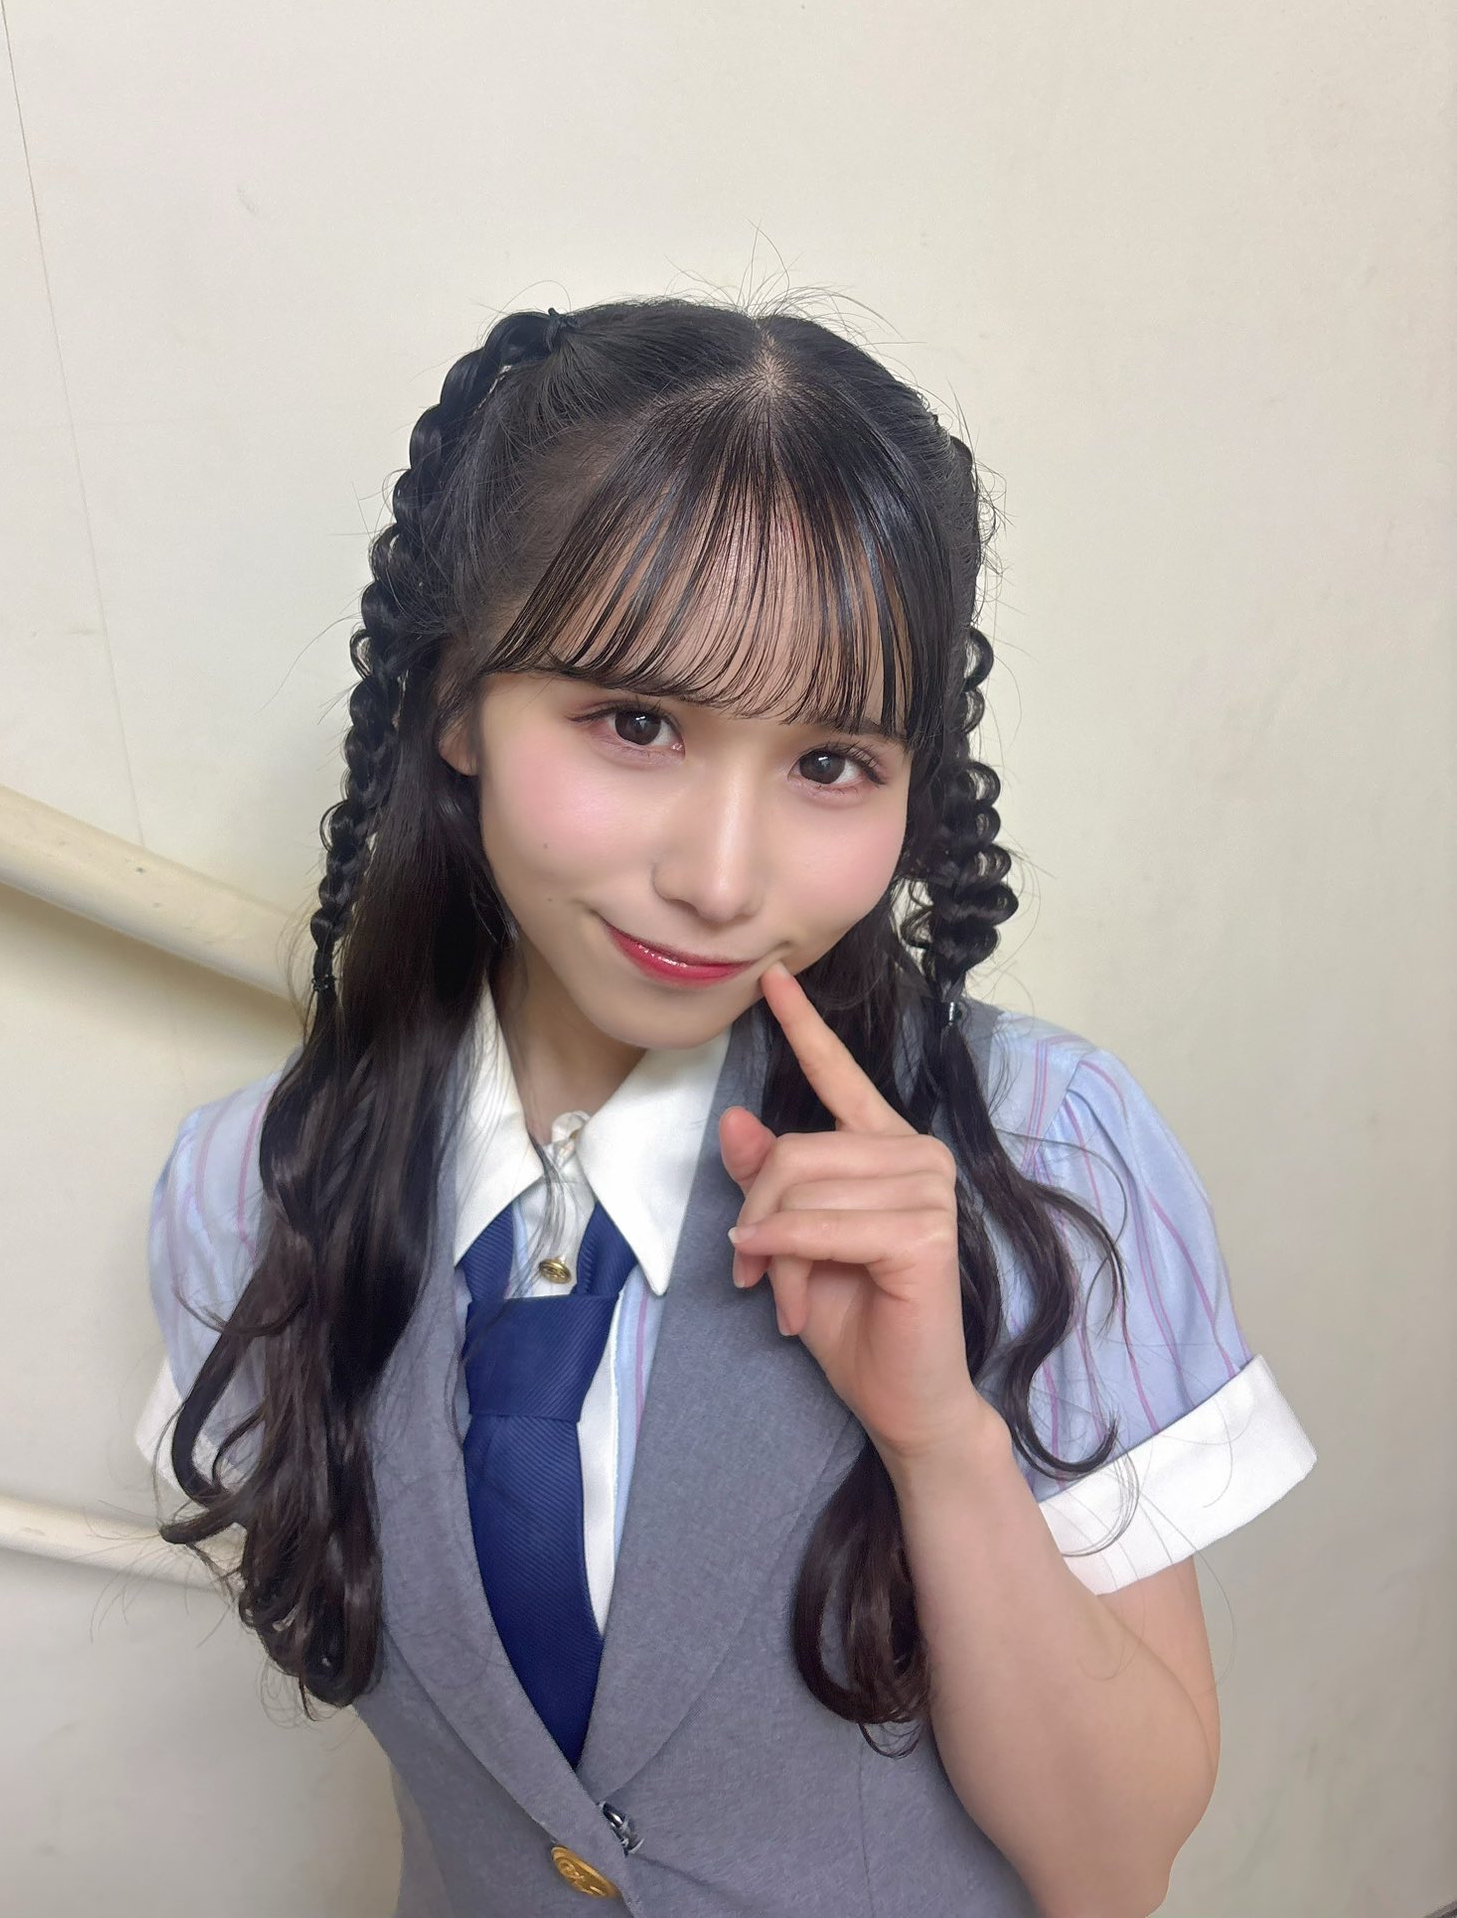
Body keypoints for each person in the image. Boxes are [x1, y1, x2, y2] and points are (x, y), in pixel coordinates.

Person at [136, 296, 1317, 1917]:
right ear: (456, 700)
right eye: (635, 724)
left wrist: (938, 1440)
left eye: (830, 763)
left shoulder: (1040, 1149)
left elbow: (1109, 1871)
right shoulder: (252, 1190)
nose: (719, 876)